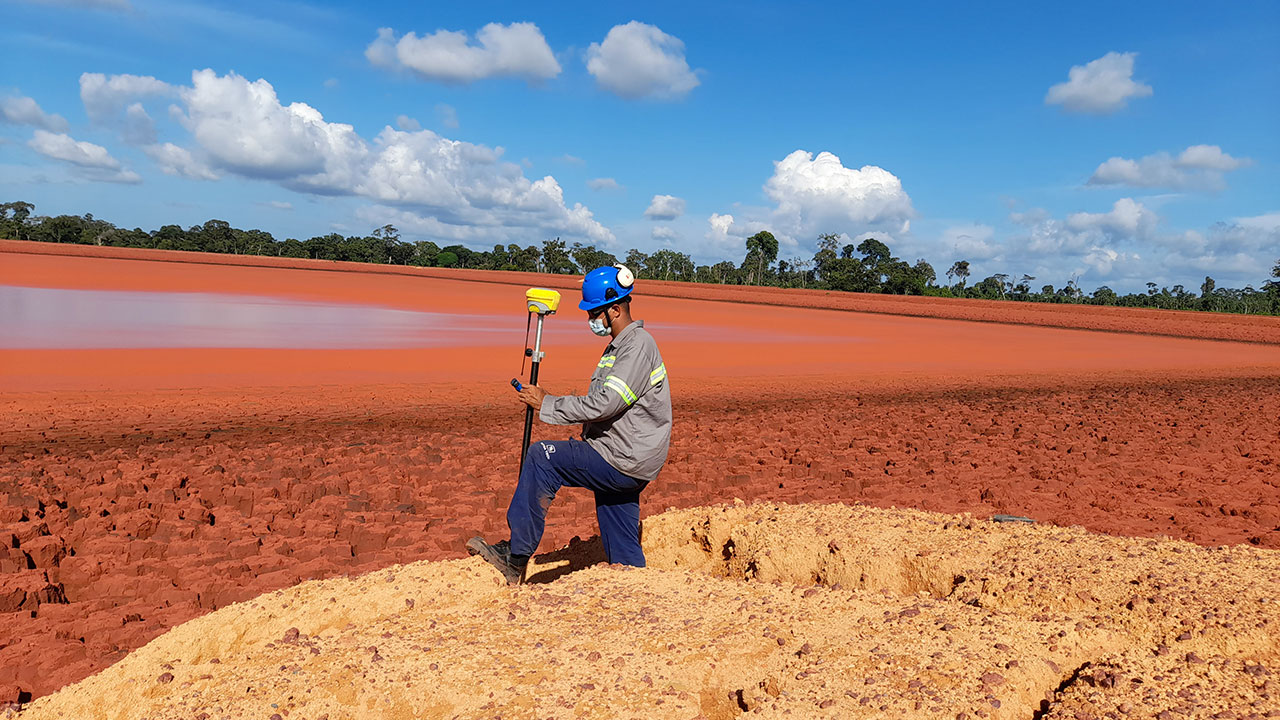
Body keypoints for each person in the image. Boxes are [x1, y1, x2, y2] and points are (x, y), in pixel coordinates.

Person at [467, 264, 672, 584]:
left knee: (542, 457)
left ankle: (515, 555)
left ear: (615, 309)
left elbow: (605, 404)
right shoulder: (622, 347)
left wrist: (547, 404)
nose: (591, 320)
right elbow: (605, 400)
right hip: (627, 456)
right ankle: (635, 585)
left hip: (623, 457)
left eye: (595, 313)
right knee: (622, 544)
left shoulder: (637, 346)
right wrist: (551, 399)